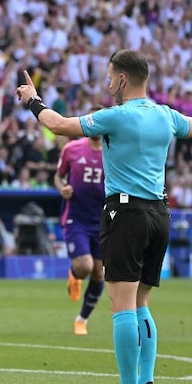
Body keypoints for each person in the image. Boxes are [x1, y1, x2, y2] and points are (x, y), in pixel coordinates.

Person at [17, 48, 192, 384]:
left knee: (121, 304)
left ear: (123, 79)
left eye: (111, 77)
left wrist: (33, 101)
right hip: (160, 214)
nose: (109, 83)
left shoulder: (115, 116)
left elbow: (59, 125)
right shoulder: (166, 115)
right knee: (142, 302)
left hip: (125, 215)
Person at [54, 126, 107, 336]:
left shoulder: (114, 152)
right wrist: (62, 188)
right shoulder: (72, 149)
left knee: (98, 272)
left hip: (104, 219)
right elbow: (58, 176)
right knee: (85, 266)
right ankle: (74, 275)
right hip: (77, 218)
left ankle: (82, 319)